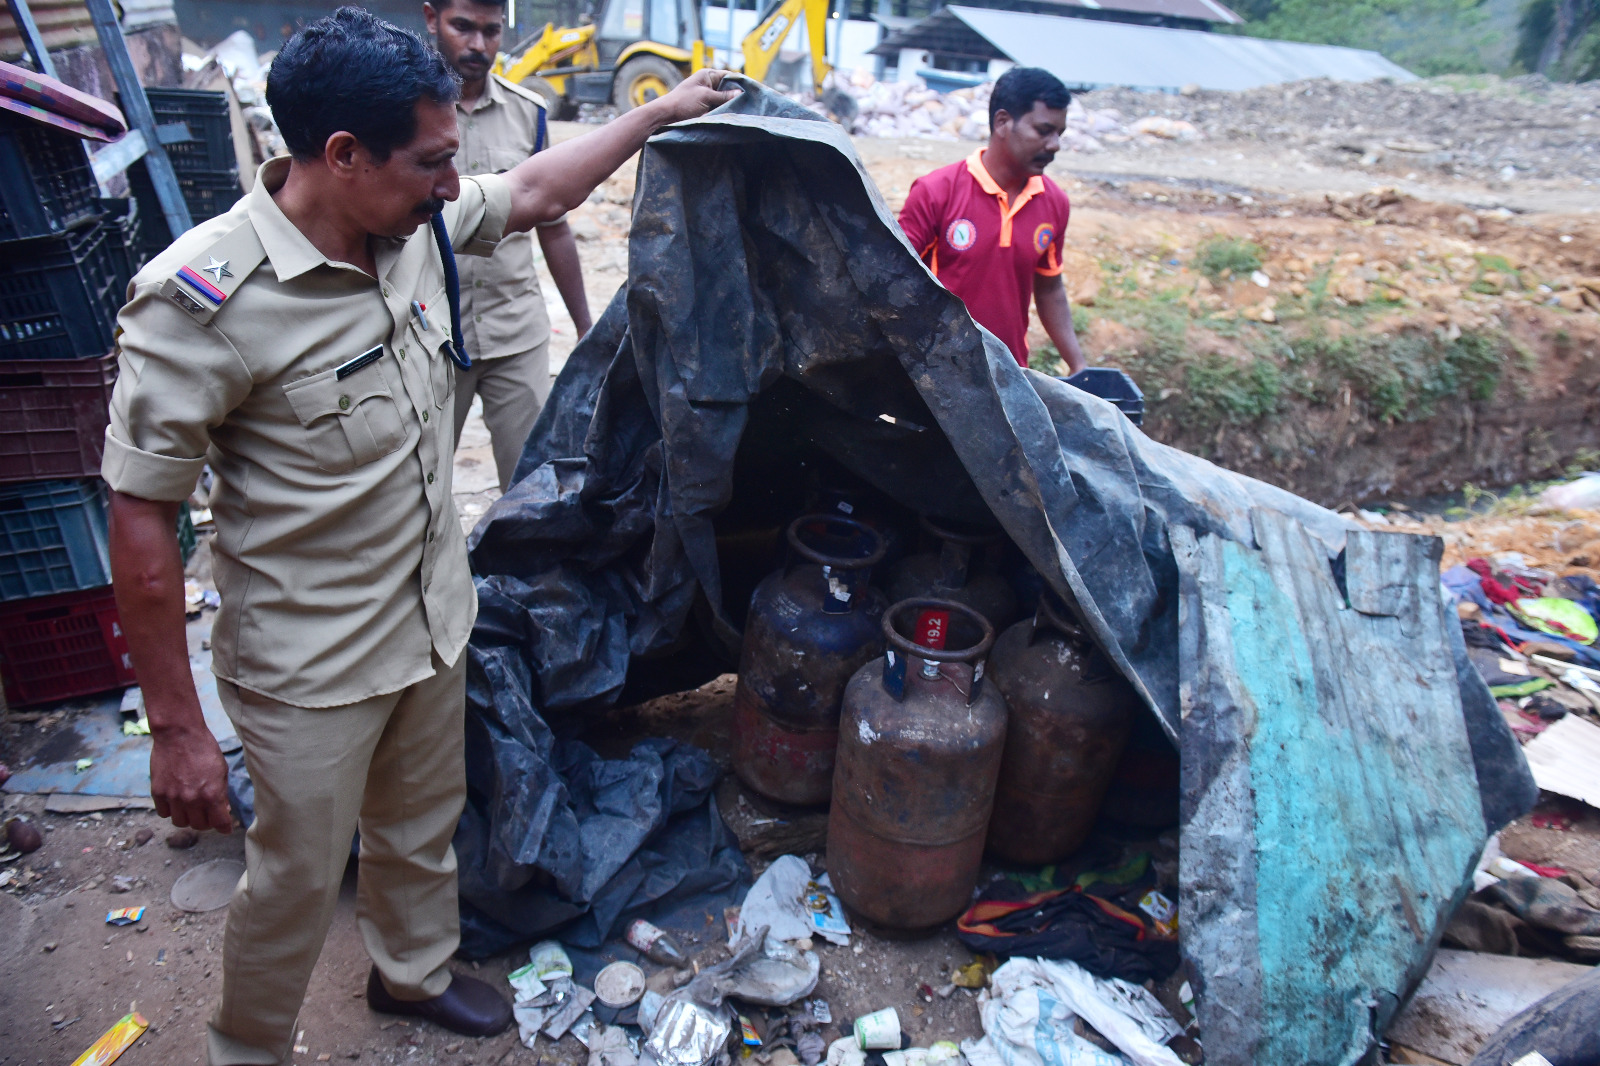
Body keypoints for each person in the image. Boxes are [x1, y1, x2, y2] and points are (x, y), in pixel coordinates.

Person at [101, 9, 734, 1064]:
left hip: (433, 619)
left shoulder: (410, 228)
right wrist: (174, 724)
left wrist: (660, 112)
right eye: (433, 162)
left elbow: (534, 191)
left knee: (419, 823)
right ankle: (245, 1046)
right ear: (342, 157)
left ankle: (410, 974)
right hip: (309, 662)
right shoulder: (204, 302)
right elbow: (139, 515)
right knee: (296, 877)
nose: (453, 182)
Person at [425, 0, 592, 490]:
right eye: (463, 27)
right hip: (430, 334)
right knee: (418, 486)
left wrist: (586, 328)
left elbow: (554, 225)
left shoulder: (529, 113)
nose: (478, 45)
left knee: (529, 485)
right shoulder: (403, 111)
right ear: (432, 18)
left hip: (515, 332)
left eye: (491, 31)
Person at [898, 66, 1087, 374]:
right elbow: (891, 280)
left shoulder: (1055, 203)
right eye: (1044, 131)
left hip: (1009, 378)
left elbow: (1050, 289)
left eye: (1059, 134)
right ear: (1003, 122)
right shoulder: (935, 192)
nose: (1055, 145)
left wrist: (1079, 366)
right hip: (936, 378)